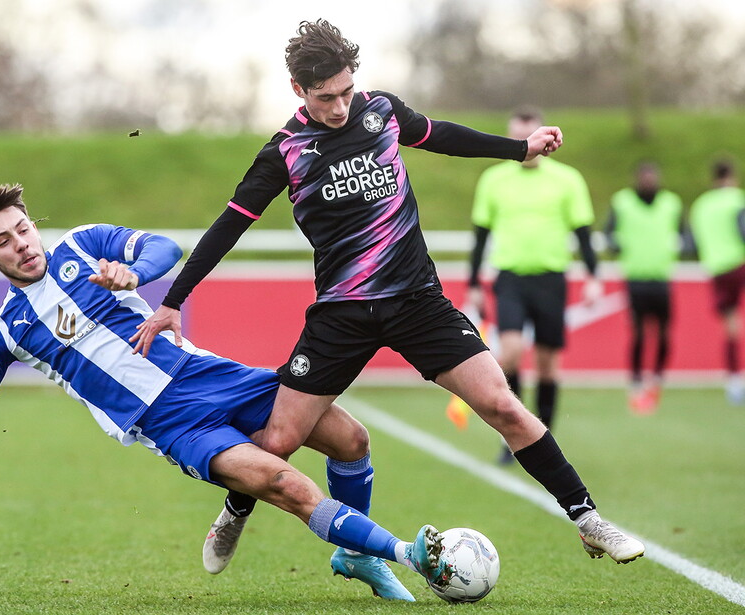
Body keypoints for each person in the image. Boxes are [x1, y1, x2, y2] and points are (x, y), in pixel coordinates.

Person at [131, 18, 645, 580]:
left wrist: (518, 148)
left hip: (417, 301)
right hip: (341, 315)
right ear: (299, 91)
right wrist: (172, 300)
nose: (341, 107)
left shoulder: (381, 111)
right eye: (326, 97)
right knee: (278, 439)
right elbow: (229, 226)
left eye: (347, 90)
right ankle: (235, 508)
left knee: (502, 405)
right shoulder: (286, 151)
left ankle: (589, 518)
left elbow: (443, 135)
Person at [0, 184, 451, 602]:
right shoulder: (5, 332)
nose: (22, 244)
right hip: (170, 424)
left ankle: (355, 553)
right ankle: (406, 553)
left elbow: (163, 249)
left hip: (214, 376)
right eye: (4, 243)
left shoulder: (84, 244)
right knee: (284, 482)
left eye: (23, 229)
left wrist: (134, 274)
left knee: (351, 439)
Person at [468, 105, 601, 463]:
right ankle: (514, 432)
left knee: (547, 365)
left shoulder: (568, 179)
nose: (526, 144)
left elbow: (584, 234)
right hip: (509, 279)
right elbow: (480, 236)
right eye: (518, 137)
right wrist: (474, 283)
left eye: (532, 136)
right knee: (508, 353)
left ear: (545, 138)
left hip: (551, 280)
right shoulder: (493, 179)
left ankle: (545, 440)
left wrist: (593, 276)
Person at [605, 161, 684, 413]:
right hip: (636, 279)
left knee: (663, 333)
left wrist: (679, 247)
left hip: (662, 278)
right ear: (637, 178)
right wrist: (616, 245)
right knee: (638, 332)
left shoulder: (671, 203)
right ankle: (637, 381)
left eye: (653, 176)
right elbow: (608, 233)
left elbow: (686, 235)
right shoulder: (623, 202)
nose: (649, 181)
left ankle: (657, 378)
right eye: (645, 176)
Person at [688, 159, 745, 404]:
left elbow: (693, 242)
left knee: (732, 326)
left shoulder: (701, 205)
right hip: (740, 263)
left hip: (718, 269)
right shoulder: (738, 199)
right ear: (732, 176)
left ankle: (734, 382)